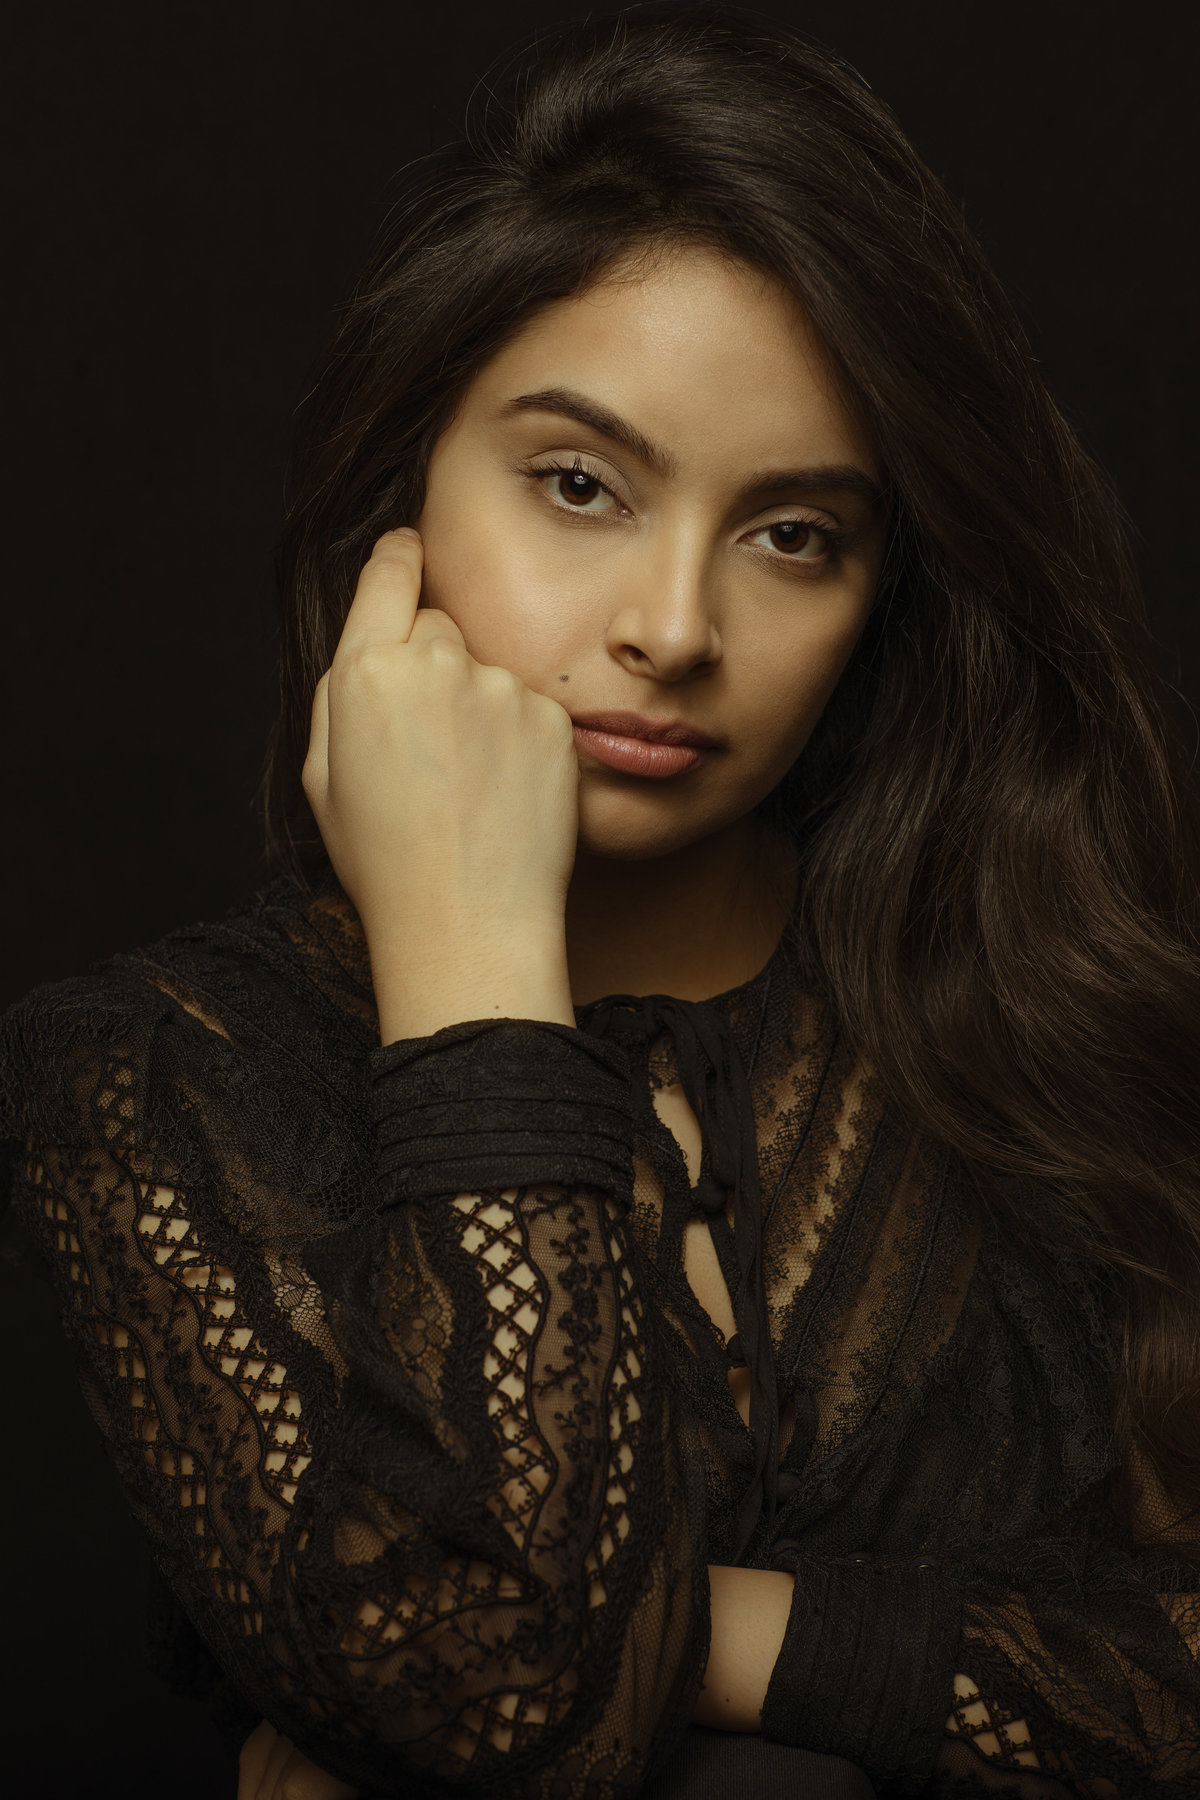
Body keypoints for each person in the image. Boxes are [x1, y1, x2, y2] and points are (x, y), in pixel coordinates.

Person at [4, 3, 1199, 1796]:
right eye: (578, 485)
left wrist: (692, 1624)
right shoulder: (161, 1075)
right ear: (401, 491)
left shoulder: (1048, 1022)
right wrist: (478, 960)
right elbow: (510, 1713)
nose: (674, 627)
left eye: (795, 532)